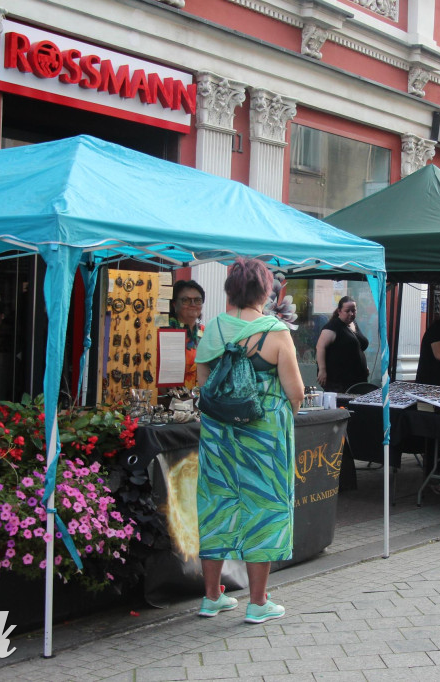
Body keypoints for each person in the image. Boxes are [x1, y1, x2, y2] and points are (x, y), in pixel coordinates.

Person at [194, 257, 305, 624]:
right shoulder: (275, 331)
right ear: (266, 290)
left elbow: (202, 384)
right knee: (265, 506)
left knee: (216, 503)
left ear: (231, 292)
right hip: (264, 436)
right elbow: (296, 392)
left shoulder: (213, 329)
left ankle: (212, 597)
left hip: (218, 434)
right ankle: (258, 603)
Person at [315, 296, 369, 392]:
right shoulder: (333, 327)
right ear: (339, 311)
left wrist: (365, 366)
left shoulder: (353, 324)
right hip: (340, 382)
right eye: (347, 311)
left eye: (354, 310)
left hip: (358, 380)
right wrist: (322, 370)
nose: (351, 314)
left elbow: (357, 347)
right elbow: (320, 347)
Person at [168, 279, 206, 390]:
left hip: (199, 399)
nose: (193, 304)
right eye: (186, 300)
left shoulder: (205, 332)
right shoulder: (165, 332)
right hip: (170, 398)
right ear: (174, 304)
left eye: (198, 300)